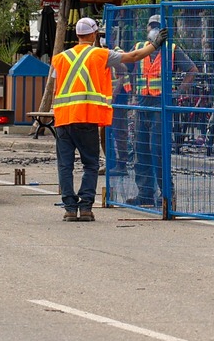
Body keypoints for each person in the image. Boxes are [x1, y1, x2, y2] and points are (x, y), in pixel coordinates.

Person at [48, 15, 158, 222]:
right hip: (86, 118)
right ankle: (86, 207)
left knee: (65, 166)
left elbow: (56, 89)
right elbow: (134, 56)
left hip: (63, 119)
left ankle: (70, 209)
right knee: (90, 164)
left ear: (77, 35)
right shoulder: (100, 54)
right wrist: (155, 44)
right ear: (94, 34)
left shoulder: (60, 58)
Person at [126, 13, 197, 207]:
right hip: (142, 105)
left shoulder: (172, 49)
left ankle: (166, 194)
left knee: (157, 151)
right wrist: (132, 91)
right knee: (141, 151)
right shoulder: (140, 48)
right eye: (152, 26)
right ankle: (146, 194)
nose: (154, 30)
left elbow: (192, 70)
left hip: (160, 106)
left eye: (158, 26)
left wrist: (177, 93)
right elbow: (129, 68)